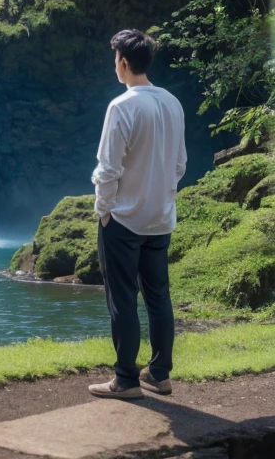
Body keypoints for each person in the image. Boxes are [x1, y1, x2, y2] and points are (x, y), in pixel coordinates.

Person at [88, 28, 186, 400]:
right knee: (158, 296)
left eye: (115, 59)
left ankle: (126, 379)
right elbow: (179, 163)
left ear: (124, 63)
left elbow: (108, 169)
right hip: (160, 218)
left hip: (124, 219)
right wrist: (160, 197)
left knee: (124, 298)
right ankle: (159, 373)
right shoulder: (172, 102)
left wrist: (104, 211)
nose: (115, 65)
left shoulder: (122, 106)